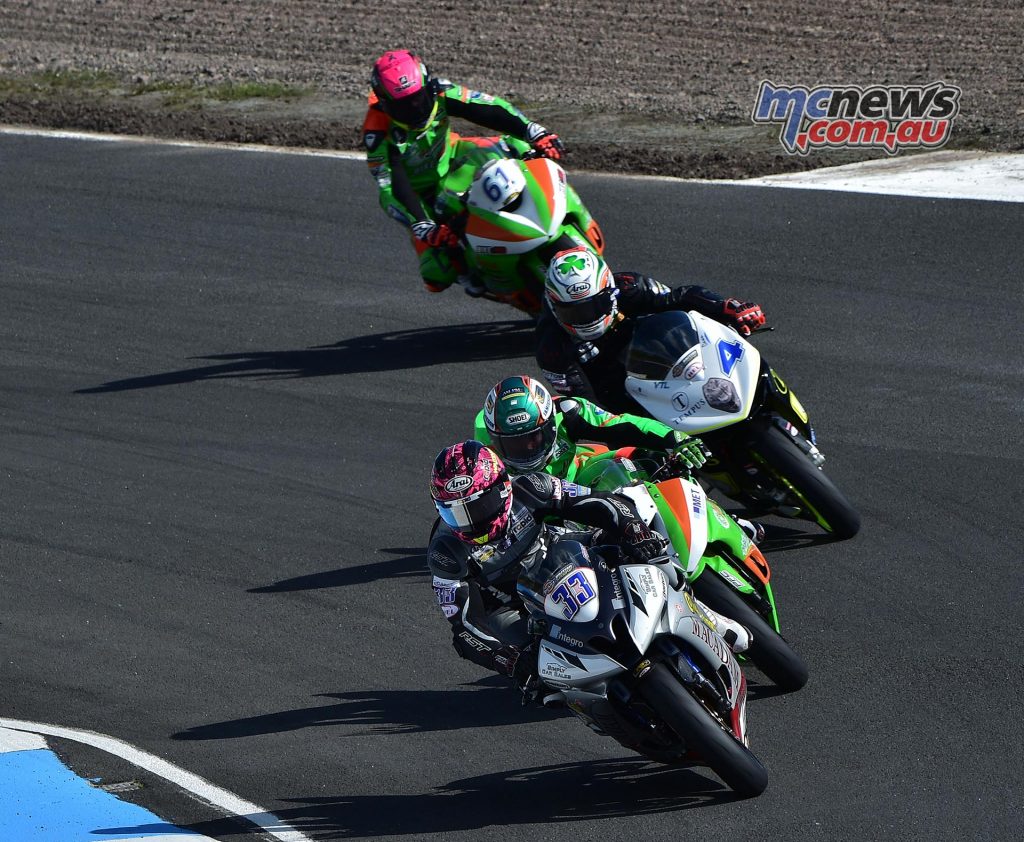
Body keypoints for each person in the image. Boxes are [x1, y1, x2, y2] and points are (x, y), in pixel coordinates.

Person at [427, 440, 749, 698]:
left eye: (478, 506)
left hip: (568, 550)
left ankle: (704, 616)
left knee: (647, 548)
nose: (471, 521)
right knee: (524, 660)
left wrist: (633, 531)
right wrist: (509, 659)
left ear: (502, 489)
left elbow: (601, 502)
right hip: (521, 602)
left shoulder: (532, 487)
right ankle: (589, 692)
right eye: (456, 513)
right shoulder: (445, 550)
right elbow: (464, 623)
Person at [363, 50, 565, 294]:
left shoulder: (440, 90)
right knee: (436, 274)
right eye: (404, 106)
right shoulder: (377, 133)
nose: (416, 108)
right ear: (385, 104)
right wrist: (422, 224)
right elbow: (388, 186)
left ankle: (553, 200)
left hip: (457, 156)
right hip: (420, 195)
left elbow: (486, 106)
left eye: (418, 98)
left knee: (520, 148)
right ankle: (477, 274)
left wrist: (534, 131)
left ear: (426, 86)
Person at [473, 374, 764, 542]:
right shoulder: (483, 454)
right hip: (541, 522)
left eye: (533, 438)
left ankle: (723, 518)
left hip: (581, 480)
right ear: (495, 439)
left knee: (646, 460)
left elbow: (622, 423)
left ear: (549, 423)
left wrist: (677, 439)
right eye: (514, 444)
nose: (526, 449)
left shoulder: (568, 411)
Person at [535, 245, 767, 416]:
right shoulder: (551, 349)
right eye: (575, 312)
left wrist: (726, 307)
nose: (589, 317)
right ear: (556, 309)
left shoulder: (630, 286)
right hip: (624, 393)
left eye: (596, 306)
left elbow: (679, 297)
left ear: (610, 290)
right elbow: (586, 402)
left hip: (673, 359)